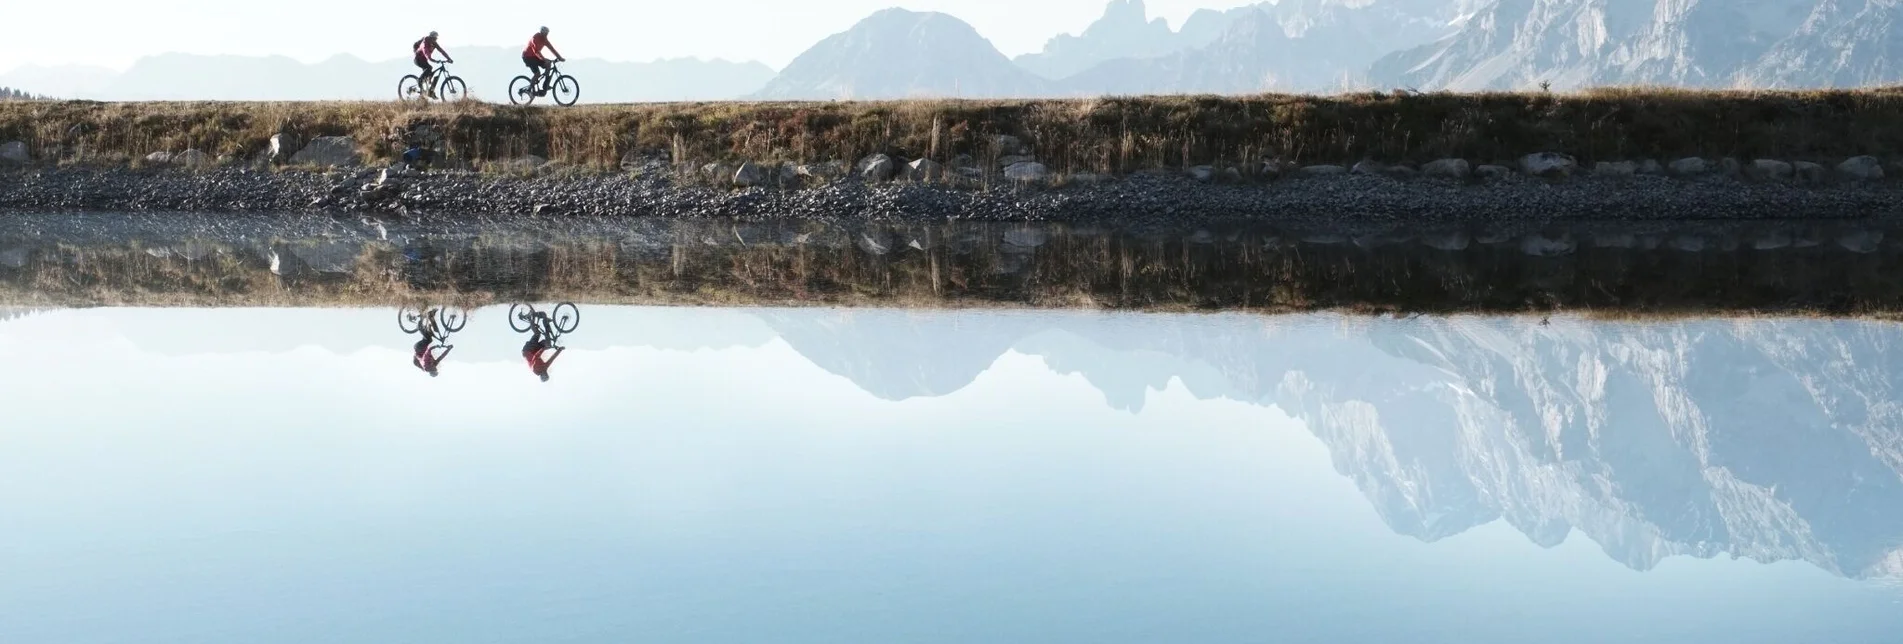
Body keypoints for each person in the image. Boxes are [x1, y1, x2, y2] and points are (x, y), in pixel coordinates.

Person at [521, 26, 566, 96]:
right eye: (545, 34)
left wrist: (560, 58)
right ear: (541, 32)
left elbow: (552, 49)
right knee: (537, 73)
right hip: (527, 57)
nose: (546, 35)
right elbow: (536, 51)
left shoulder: (545, 39)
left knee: (548, 64)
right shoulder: (535, 38)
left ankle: (545, 86)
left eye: (547, 34)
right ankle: (528, 89)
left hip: (535, 57)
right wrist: (544, 59)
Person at [522, 313, 566, 382]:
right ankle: (546, 322)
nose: (545, 372)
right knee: (548, 343)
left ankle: (530, 318)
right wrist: (560, 350)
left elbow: (536, 357)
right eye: (546, 374)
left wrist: (544, 348)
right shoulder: (544, 368)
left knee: (538, 334)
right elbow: (552, 359)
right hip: (534, 350)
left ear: (542, 375)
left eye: (545, 374)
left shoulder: (535, 369)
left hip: (528, 350)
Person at [412, 31, 454, 98]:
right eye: (434, 38)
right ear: (431, 37)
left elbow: (441, 51)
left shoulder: (434, 43)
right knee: (429, 68)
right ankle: (420, 81)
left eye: (436, 39)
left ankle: (430, 92)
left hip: (424, 60)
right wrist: (432, 59)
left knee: (430, 75)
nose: (435, 40)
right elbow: (426, 53)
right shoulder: (425, 42)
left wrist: (449, 59)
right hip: (418, 59)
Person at [412, 310, 454, 377]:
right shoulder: (433, 365)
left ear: (432, 370)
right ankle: (430, 317)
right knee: (430, 335)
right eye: (436, 370)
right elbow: (441, 357)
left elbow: (427, 353)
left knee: (429, 339)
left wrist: (435, 346)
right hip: (423, 348)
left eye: (435, 370)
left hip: (418, 349)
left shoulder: (426, 365)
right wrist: (449, 349)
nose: (436, 368)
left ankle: (419, 325)